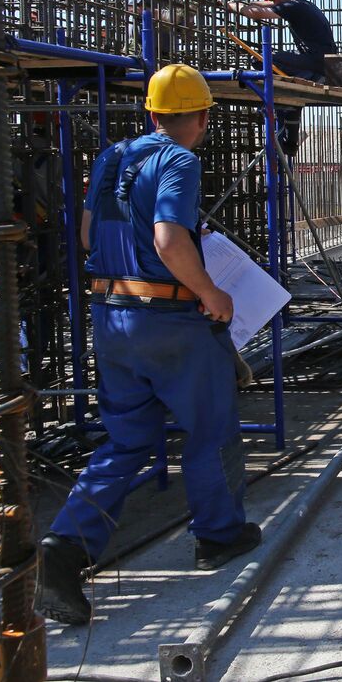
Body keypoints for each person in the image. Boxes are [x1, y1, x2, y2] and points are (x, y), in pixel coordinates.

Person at [35, 64, 260, 626]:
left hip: (112, 318)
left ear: (154, 112)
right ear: (202, 116)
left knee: (126, 440)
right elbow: (166, 239)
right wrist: (210, 291)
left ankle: (64, 549)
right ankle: (219, 535)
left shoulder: (111, 157)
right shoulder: (179, 160)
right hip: (169, 322)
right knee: (209, 430)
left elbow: (88, 235)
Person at [225, 0, 339, 82]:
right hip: (321, 59)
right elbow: (273, 4)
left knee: (259, 59)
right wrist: (250, 3)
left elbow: (255, 13)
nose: (277, 1)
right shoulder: (302, 4)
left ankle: (311, 77)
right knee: (270, 57)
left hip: (315, 60)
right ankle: (311, 75)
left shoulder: (293, 6)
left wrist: (233, 6)